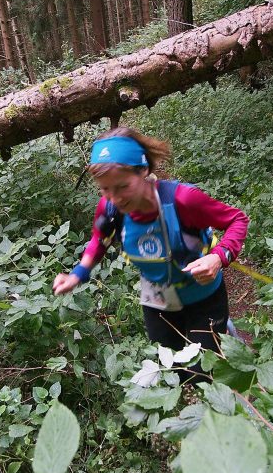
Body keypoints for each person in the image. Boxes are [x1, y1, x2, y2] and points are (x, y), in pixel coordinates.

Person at [53, 127, 249, 382]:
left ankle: (224, 335)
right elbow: (100, 240)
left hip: (204, 298)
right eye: (105, 189)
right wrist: (77, 274)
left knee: (202, 375)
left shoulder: (183, 200)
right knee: (174, 371)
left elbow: (237, 219)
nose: (114, 197)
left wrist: (219, 256)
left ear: (143, 170)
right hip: (158, 302)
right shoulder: (110, 207)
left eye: (122, 186)